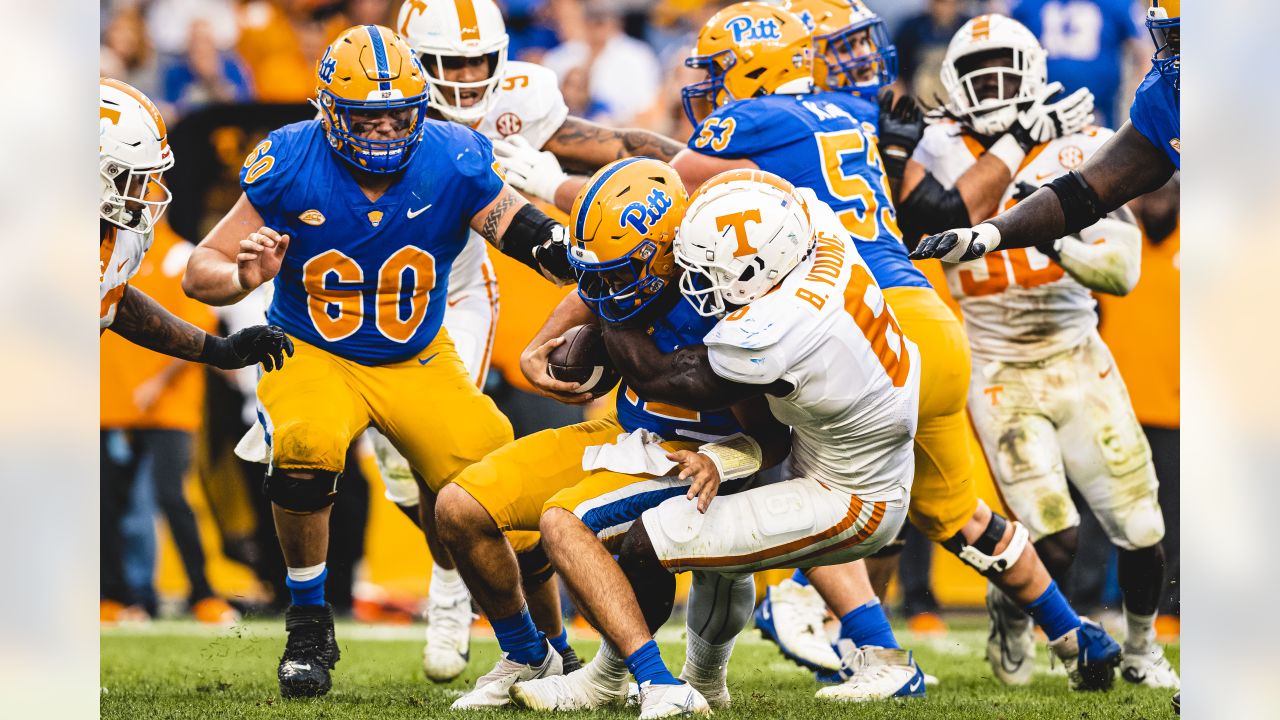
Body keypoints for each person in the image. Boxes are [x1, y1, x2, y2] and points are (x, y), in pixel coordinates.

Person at [181, 25, 576, 699]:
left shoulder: (453, 155)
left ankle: (544, 651)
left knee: (499, 499)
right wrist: (245, 276)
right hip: (311, 348)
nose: (389, 128)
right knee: (305, 446)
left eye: (400, 112)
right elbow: (201, 271)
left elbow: (520, 230)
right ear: (331, 111)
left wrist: (572, 249)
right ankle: (308, 624)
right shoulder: (288, 159)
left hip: (416, 357)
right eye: (370, 115)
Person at [515, 167, 921, 717]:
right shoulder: (812, 224)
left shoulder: (769, 336)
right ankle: (707, 680)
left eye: (710, 273)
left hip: (848, 496)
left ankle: (610, 678)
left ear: (761, 270)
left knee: (652, 539)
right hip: (847, 445)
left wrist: (607, 293)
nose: (695, 282)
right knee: (718, 542)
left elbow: (661, 376)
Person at [364, 0, 689, 684]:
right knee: (398, 468)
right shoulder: (374, 101)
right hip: (365, 301)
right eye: (450, 62)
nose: (468, 76)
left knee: (437, 446)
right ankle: (499, 601)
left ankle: (451, 596)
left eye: (481, 59)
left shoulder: (521, 97)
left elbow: (621, 145)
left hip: (453, 294)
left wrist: (700, 174)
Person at [897, 13, 1179, 690]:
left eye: (1007, 73)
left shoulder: (1081, 143)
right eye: (980, 75)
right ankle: (1016, 605)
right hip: (996, 364)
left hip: (1078, 350)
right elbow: (925, 218)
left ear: (1034, 74)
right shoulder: (932, 150)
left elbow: (1123, 270)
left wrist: (1051, 238)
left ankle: (1143, 648)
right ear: (954, 84)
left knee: (1141, 524)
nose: (995, 89)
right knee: (1052, 531)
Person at [435, 158, 763, 712]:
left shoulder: (730, 295)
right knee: (457, 508)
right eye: (597, 272)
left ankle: (656, 682)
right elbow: (592, 289)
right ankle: (528, 654)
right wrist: (543, 342)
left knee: (563, 523)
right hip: (625, 433)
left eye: (616, 273)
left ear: (665, 251)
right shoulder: (624, 277)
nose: (603, 289)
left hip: (691, 455)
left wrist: (721, 463)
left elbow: (770, 436)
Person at [99, 77, 293, 622]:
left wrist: (220, 351)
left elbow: (116, 303)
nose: (143, 194)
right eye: (127, 178)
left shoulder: (109, 237)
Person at [907, 0, 1178, 263]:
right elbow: (1080, 194)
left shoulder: (1090, 139)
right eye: (1173, 39)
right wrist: (992, 233)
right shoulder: (938, 138)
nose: (990, 80)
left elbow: (1121, 268)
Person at [1010, 0, 1147, 129]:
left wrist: (1138, 97)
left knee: (1101, 150)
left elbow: (1144, 52)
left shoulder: (1117, 4)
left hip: (1097, 111)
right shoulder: (1027, 4)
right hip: (1040, 107)